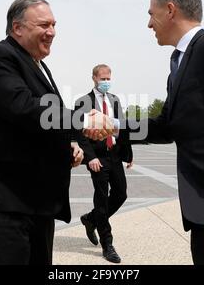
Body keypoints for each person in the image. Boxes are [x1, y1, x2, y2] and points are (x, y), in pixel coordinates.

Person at [86, 0, 204, 264]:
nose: (149, 24)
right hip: (203, 213)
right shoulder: (178, 66)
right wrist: (115, 124)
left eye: (150, 13)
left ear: (170, 10)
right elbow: (166, 125)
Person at [0, 0, 113, 265]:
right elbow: (24, 108)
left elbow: (41, 123)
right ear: (17, 28)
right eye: (43, 25)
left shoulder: (39, 66)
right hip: (0, 202)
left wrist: (68, 145)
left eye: (54, 25)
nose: (52, 32)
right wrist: (83, 121)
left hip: (33, 201)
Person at [75, 64, 133, 264]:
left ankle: (91, 219)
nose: (106, 82)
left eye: (109, 78)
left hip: (114, 154)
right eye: (103, 79)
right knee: (101, 198)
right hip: (97, 157)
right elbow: (80, 133)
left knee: (121, 193)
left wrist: (129, 154)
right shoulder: (83, 101)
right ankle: (107, 244)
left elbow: (122, 128)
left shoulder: (115, 100)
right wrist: (90, 157)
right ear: (94, 78)